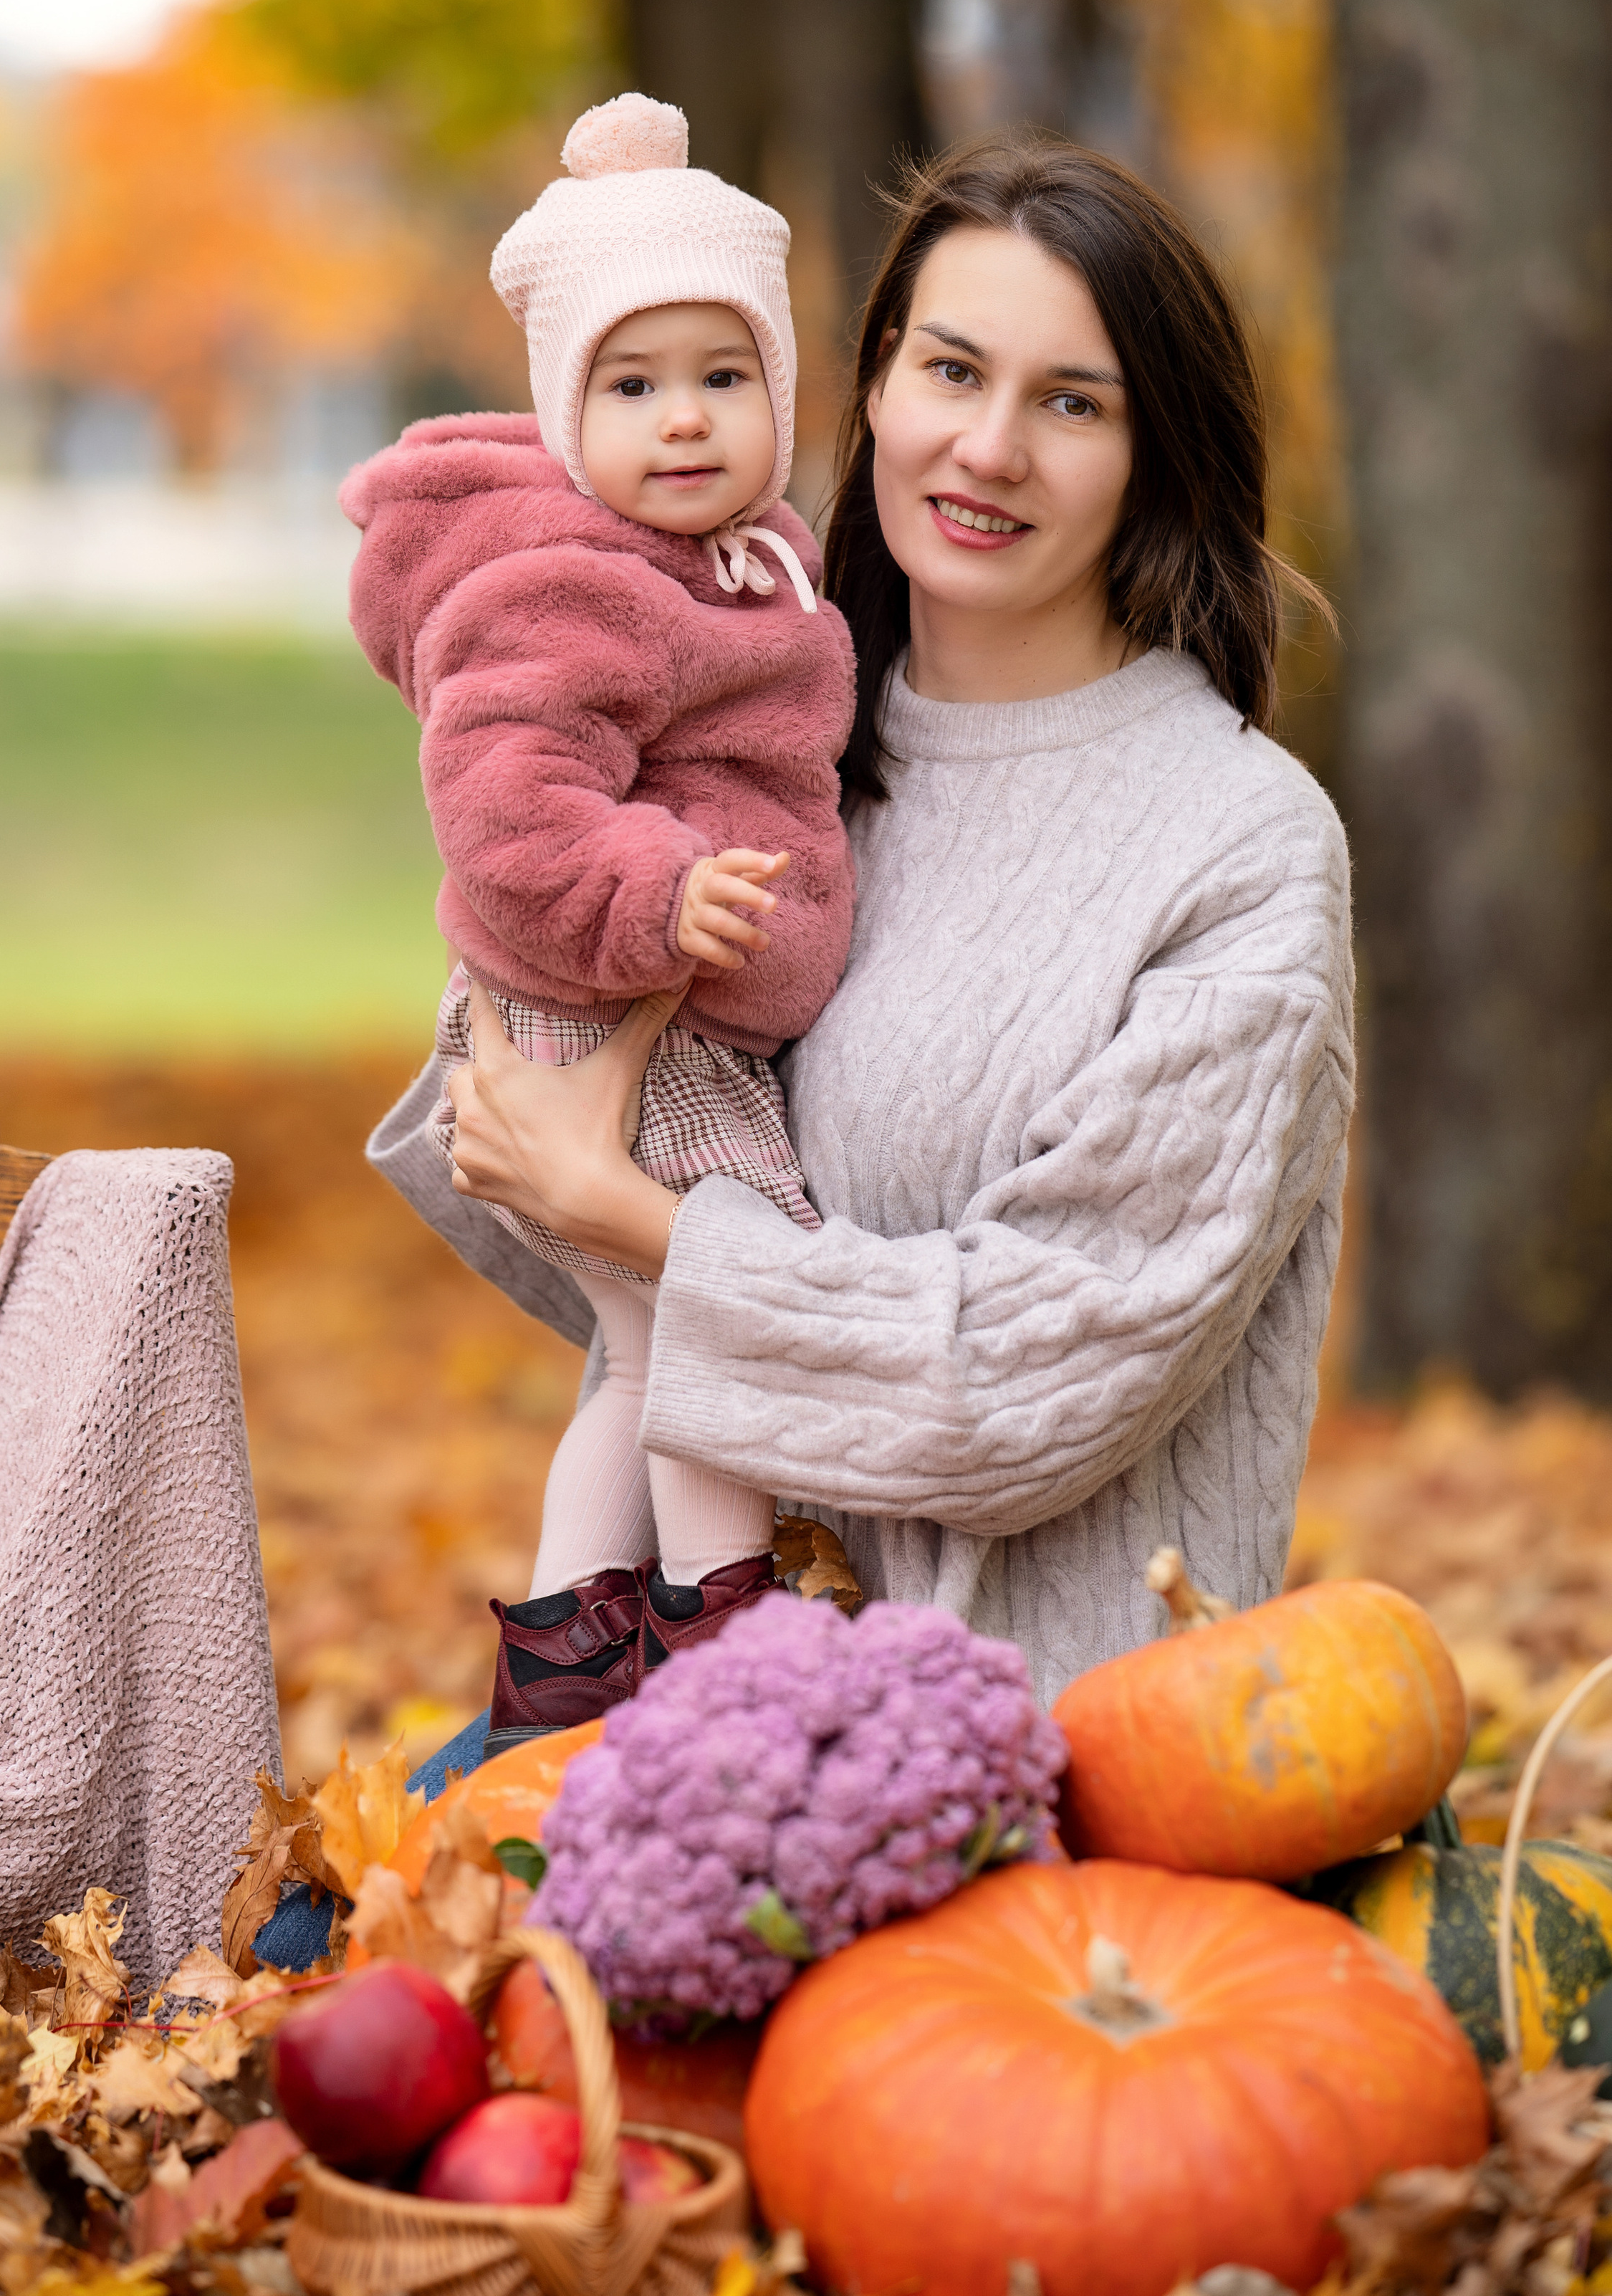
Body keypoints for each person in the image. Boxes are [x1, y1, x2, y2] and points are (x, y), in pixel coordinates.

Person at [374, 130, 1356, 1797]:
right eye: (949, 369)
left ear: (1154, 453)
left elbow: (1032, 1382)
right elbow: (587, 1256)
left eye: (1071, 400)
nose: (984, 446)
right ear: (871, 387)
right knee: (303, 1969)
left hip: (1043, 1764)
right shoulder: (773, 744)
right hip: (705, 1689)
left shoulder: (1235, 846)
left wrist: (631, 1212)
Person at [342, 92, 857, 1756]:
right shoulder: (569, 576)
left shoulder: (741, 560)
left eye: (724, 377)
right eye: (632, 387)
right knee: (696, 1320)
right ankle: (719, 1628)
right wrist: (662, 894)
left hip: (652, 999)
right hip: (600, 1001)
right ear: (568, 409)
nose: (685, 421)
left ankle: (577, 1645)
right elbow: (506, 805)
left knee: (644, 1352)